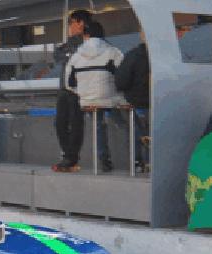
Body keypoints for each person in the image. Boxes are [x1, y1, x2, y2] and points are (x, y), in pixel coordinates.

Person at [63, 20, 127, 173]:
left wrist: (82, 93)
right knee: (127, 124)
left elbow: (68, 83)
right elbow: (124, 76)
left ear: (85, 35)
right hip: (111, 97)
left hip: (88, 100)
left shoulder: (76, 55)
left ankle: (104, 160)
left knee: (98, 127)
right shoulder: (113, 51)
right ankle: (139, 157)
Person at [51, 9, 93, 172]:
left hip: (78, 89)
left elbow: (69, 57)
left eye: (71, 23)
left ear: (80, 23)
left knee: (75, 123)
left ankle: (71, 157)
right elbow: (58, 55)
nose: (69, 27)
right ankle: (68, 155)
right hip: (63, 89)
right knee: (60, 123)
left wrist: (69, 54)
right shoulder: (68, 46)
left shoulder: (88, 42)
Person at [115, 32, 151, 173]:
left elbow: (121, 81)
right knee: (152, 133)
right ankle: (151, 163)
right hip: (158, 102)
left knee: (136, 132)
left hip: (136, 102)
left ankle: (137, 162)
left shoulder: (133, 55)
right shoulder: (167, 56)